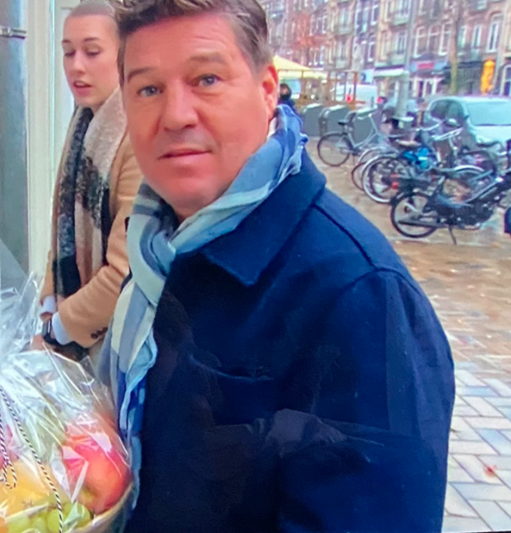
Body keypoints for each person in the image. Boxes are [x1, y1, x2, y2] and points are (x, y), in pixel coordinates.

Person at [98, 0, 455, 531]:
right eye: (148, 89)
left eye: (207, 79)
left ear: (267, 90)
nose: (175, 115)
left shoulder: (358, 294)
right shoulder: (161, 243)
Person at [38, 0, 142, 361]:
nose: (76, 66)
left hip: (123, 347)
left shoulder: (137, 136)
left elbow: (126, 270)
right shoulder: (83, 126)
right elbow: (62, 233)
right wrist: (48, 304)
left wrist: (57, 330)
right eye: (68, 53)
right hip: (80, 340)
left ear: (124, 55)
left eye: (92, 51)